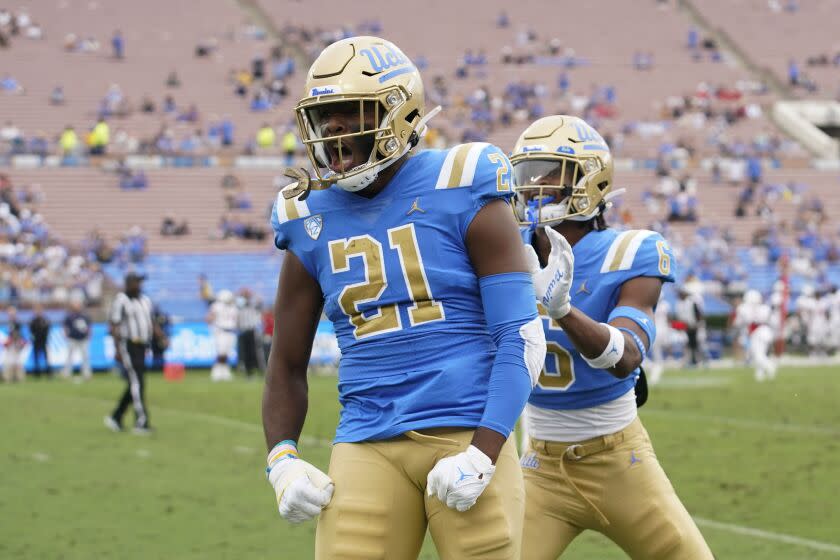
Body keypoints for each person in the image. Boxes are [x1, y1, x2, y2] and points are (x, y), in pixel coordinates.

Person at [262, 36, 544, 560]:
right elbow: (286, 361)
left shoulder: (463, 182)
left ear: (400, 113)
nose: (334, 130)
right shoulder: (309, 215)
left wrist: (484, 453)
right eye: (325, 117)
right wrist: (281, 456)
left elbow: (523, 337)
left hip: (468, 432)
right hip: (367, 439)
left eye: (351, 111)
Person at [512, 115, 713, 559]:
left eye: (549, 174)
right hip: (538, 462)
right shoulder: (503, 250)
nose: (533, 187)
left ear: (588, 181)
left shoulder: (631, 250)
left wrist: (562, 310)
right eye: (526, 174)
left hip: (619, 457)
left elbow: (626, 357)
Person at [104, 273, 153, 434]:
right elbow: (114, 325)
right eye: (136, 282)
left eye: (140, 282)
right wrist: (117, 349)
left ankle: (116, 417)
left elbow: (149, 322)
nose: (139, 285)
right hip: (128, 345)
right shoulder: (121, 300)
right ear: (128, 283)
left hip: (142, 346)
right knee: (138, 382)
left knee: (135, 383)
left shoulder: (145, 300)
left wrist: (161, 337)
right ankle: (141, 421)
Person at [736, 290, 777, 381]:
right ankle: (759, 375)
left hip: (757, 332)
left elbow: (739, 322)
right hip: (766, 331)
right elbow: (773, 321)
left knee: (757, 355)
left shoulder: (743, 308)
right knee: (761, 353)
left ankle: (770, 366)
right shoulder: (765, 308)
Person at [207, 289, 237, 381]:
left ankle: (224, 371)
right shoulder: (216, 306)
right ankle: (216, 372)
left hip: (230, 331)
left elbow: (235, 320)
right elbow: (209, 318)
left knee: (227, 353)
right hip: (221, 331)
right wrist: (214, 327)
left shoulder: (233, 307)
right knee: (221, 352)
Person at [62, 299, 92, 380]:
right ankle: (66, 373)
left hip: (83, 339)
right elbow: (65, 326)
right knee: (69, 356)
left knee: (85, 357)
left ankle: (87, 373)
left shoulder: (85, 316)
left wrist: (89, 335)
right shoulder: (69, 316)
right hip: (72, 338)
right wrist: (66, 334)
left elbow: (89, 326)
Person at [235, 289, 262, 378]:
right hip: (243, 330)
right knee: (245, 352)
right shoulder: (239, 304)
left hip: (252, 330)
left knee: (254, 352)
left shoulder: (253, 304)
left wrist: (252, 294)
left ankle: (259, 369)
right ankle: (248, 371)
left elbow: (259, 301)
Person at [676, 286, 704, 367]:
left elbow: (698, 314)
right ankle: (690, 360)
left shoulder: (692, 302)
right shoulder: (680, 303)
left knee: (695, 343)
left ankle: (698, 360)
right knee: (688, 344)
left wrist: (697, 324)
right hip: (685, 327)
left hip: (694, 326)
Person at [2, 306, 26, 382]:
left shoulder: (17, 323)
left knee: (17, 361)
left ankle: (18, 377)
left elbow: (18, 334)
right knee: (9, 361)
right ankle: (8, 377)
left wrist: (17, 341)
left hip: (15, 343)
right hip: (10, 343)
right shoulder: (9, 322)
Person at [29, 303, 51, 377]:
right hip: (36, 341)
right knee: (36, 357)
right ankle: (37, 372)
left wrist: (44, 337)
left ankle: (48, 372)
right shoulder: (33, 321)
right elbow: (31, 331)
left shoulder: (45, 320)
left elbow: (47, 329)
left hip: (43, 341)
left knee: (46, 357)